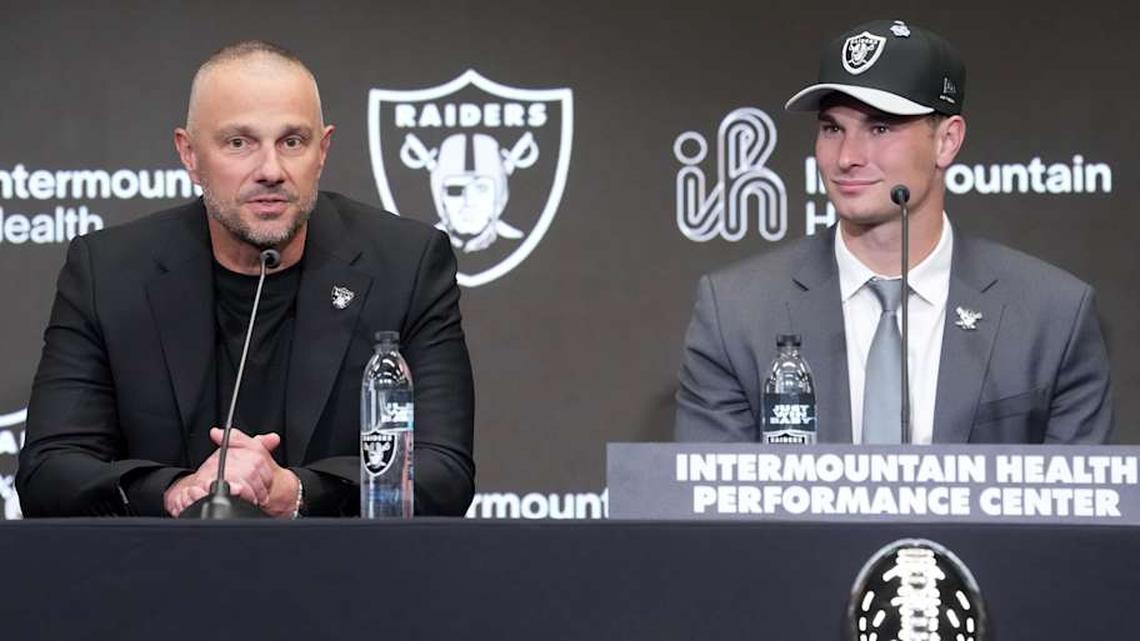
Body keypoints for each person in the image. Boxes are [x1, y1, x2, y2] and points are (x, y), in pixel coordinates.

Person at [17, 41, 475, 517]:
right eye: (239, 143)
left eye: (292, 142)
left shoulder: (405, 264)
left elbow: (443, 474)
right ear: (189, 155)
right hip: (159, 578)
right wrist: (176, 490)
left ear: (323, 150)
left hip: (345, 578)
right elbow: (48, 473)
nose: (271, 170)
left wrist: (296, 491)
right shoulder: (108, 271)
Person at [675, 20, 1114, 444]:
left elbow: (1077, 513)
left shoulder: (1052, 315)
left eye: (880, 127)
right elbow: (709, 509)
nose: (847, 156)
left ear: (947, 141)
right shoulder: (736, 313)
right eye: (832, 128)